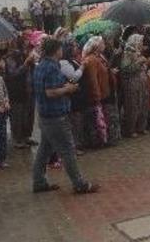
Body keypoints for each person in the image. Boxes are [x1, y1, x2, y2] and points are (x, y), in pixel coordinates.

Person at [31, 38, 99, 195]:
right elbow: (51, 92)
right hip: (55, 116)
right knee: (68, 150)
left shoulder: (41, 66)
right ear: (56, 50)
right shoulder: (51, 68)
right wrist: (68, 89)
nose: (62, 51)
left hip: (46, 115)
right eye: (60, 49)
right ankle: (79, 184)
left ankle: (39, 181)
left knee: (44, 150)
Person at [120, 34, 150, 137]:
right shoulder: (128, 53)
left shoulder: (139, 52)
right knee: (133, 106)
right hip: (132, 83)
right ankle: (131, 129)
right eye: (140, 41)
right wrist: (139, 62)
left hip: (142, 83)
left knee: (143, 104)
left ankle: (141, 127)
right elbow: (126, 69)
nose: (142, 44)